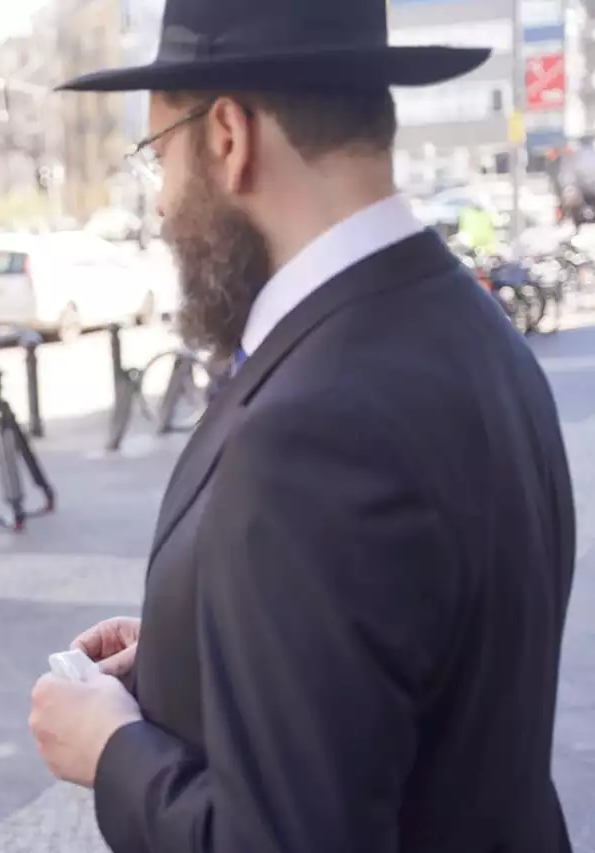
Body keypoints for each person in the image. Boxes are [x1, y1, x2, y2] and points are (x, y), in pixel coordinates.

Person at [28, 0, 576, 851]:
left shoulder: (311, 429)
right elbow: (412, 659)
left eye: (156, 158)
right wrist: (192, 646)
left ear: (228, 138)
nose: (164, 206)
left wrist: (114, 749)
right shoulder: (476, 333)